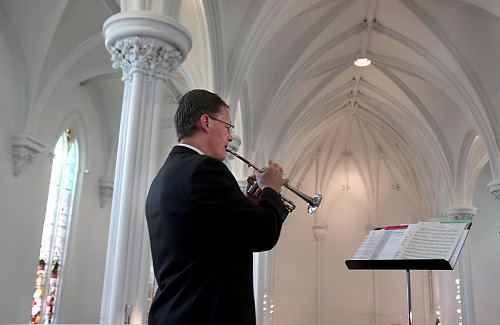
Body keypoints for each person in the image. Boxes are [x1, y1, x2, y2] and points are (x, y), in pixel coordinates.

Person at [145, 89, 289, 325]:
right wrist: (272, 189)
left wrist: (250, 203)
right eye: (228, 127)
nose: (230, 137)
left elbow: (214, 238)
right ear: (206, 122)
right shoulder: (204, 169)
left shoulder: (165, 175)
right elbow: (264, 234)